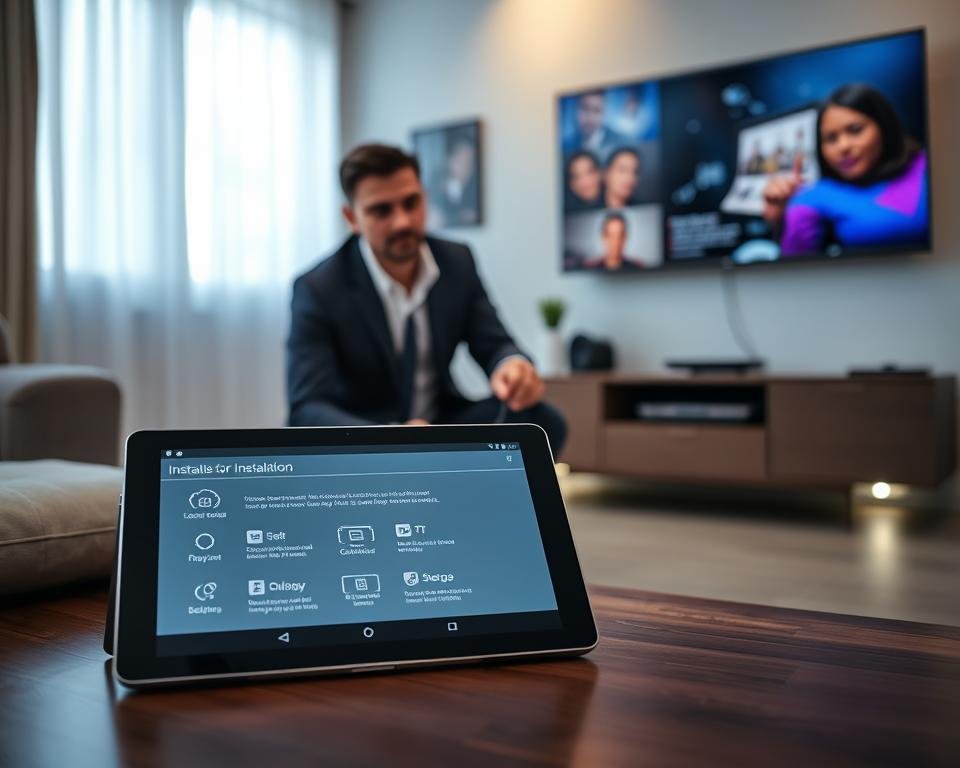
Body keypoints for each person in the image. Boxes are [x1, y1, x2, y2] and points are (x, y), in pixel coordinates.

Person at [287, 143, 567, 452]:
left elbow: (494, 344)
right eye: (382, 210)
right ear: (351, 217)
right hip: (367, 437)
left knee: (541, 422)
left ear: (425, 197)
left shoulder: (456, 261)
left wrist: (512, 367)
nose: (403, 222)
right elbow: (307, 406)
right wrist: (388, 436)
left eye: (411, 202)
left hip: (439, 425)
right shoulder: (319, 287)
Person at [763, 84, 929, 256]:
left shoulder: (929, 165)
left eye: (856, 130)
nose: (843, 147)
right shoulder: (813, 197)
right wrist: (780, 220)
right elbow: (793, 275)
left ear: (884, 126)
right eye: (831, 138)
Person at [429, 131, 479, 227]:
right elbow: (435, 218)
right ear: (450, 160)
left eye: (470, 162)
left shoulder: (473, 186)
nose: (466, 167)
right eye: (462, 160)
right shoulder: (436, 181)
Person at [568, 90, 630, 163]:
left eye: (597, 110)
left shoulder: (623, 143)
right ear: (574, 109)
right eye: (585, 108)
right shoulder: (567, 145)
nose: (590, 117)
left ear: (604, 113)